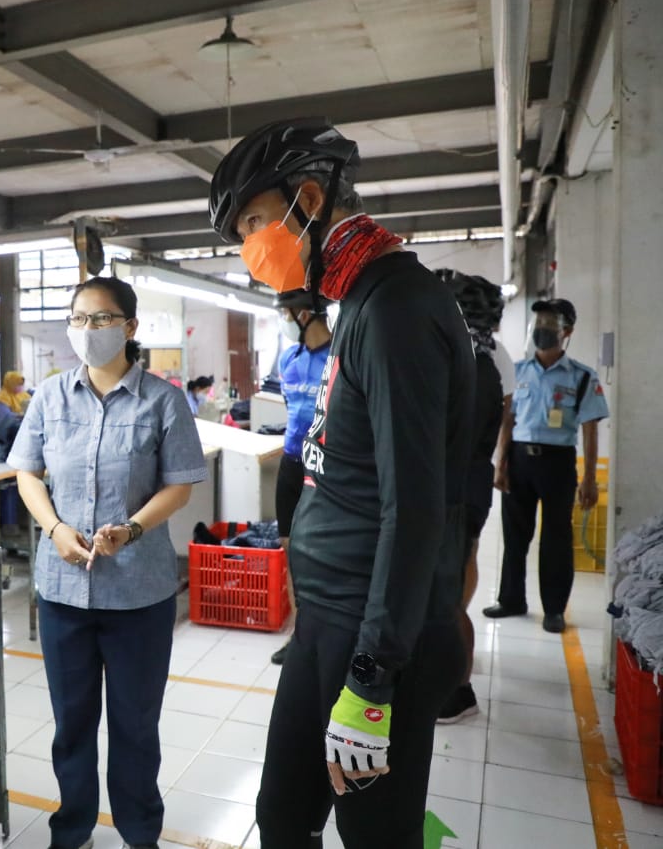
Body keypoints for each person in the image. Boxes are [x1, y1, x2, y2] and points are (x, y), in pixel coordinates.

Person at [209, 118, 474, 848]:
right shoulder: (356, 301)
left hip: (372, 634)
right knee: (286, 815)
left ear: (312, 199)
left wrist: (372, 672)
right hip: (327, 622)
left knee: (375, 834)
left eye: (255, 222)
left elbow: (415, 508)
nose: (249, 248)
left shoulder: (394, 309)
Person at [8, 277, 207, 849]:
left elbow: (179, 486)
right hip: (63, 593)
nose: (89, 331)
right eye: (80, 319)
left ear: (130, 327)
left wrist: (133, 528)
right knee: (71, 726)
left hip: (138, 597)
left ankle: (139, 834)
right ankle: (72, 831)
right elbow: (27, 473)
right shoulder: (48, 397)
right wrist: (54, 529)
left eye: (102, 319)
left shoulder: (164, 401)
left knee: (135, 726)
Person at [484, 299, 609, 633]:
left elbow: (590, 428)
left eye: (549, 324)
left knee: (556, 538)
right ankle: (511, 600)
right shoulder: (518, 371)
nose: (541, 329)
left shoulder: (582, 377)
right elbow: (507, 420)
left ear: (566, 332)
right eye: (537, 322)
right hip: (520, 460)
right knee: (515, 536)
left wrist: (589, 479)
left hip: (558, 463)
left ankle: (554, 609)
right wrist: (501, 462)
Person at [437, 272, 509, 722]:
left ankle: (457, 689)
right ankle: (451, 682)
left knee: (447, 597)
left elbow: (450, 439)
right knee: (448, 590)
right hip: (470, 487)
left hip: (458, 492)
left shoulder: (471, 368)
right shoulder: (482, 362)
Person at [269, 287, 333, 666]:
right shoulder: (288, 358)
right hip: (292, 462)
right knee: (291, 549)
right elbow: (293, 410)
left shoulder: (339, 357)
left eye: (286, 313)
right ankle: (300, 636)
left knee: (322, 552)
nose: (284, 321)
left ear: (305, 314)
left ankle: (329, 633)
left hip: (326, 466)